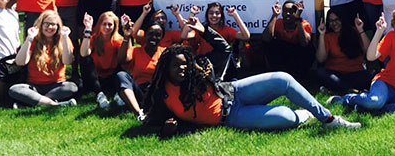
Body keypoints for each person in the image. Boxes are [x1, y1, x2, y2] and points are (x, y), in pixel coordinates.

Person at [143, 46, 360, 136]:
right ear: (165, 69)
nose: (182, 68)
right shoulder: (162, 96)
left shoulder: (196, 74)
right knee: (286, 117)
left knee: (282, 79)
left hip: (235, 93)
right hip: (232, 117)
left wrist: (201, 67)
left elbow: (222, 48)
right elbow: (153, 121)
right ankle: (305, 114)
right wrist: (168, 128)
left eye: (184, 64)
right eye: (176, 65)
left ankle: (329, 119)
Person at [8, 11, 78, 107]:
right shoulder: (34, 40)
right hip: (34, 86)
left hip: (57, 85)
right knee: (15, 89)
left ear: (58, 26)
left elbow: (68, 61)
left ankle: (34, 102)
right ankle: (54, 104)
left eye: (53, 24)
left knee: (72, 87)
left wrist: (65, 37)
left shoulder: (63, 40)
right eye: (46, 24)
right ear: (41, 24)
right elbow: (20, 62)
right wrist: (29, 38)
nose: (49, 27)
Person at [116, 11, 168, 120]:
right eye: (150, 34)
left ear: (162, 37)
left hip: (157, 91)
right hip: (139, 90)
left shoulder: (165, 53)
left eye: (158, 35)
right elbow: (121, 59)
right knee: (121, 75)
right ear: (145, 35)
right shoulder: (136, 51)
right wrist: (126, 37)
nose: (154, 37)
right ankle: (139, 112)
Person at [315, 9, 371, 93]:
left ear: (342, 20)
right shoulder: (328, 36)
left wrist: (360, 30)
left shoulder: (353, 32)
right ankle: (350, 89)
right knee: (321, 72)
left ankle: (340, 88)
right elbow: (321, 59)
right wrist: (322, 35)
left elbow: (368, 51)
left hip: (356, 72)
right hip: (335, 73)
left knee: (373, 74)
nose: (334, 23)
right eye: (331, 21)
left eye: (337, 20)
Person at [80, 11, 125, 108]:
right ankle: (99, 94)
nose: (107, 27)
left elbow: (126, 59)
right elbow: (83, 53)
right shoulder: (94, 38)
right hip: (95, 76)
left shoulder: (118, 40)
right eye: (104, 24)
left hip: (112, 75)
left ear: (114, 26)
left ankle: (119, 93)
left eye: (110, 25)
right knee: (86, 59)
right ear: (99, 25)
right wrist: (88, 29)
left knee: (124, 59)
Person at [262, 0, 313, 79]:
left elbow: (304, 43)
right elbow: (266, 38)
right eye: (285, 11)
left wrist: (298, 20)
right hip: (283, 55)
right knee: (269, 44)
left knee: (308, 48)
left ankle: (301, 74)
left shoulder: (304, 24)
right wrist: (275, 15)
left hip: (297, 55)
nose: (288, 14)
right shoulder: (278, 22)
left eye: (291, 11)